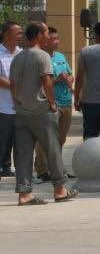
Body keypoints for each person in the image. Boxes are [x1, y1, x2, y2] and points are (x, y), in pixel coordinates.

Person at [10, 23, 77, 206]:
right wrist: (53, 104)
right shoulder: (43, 56)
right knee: (52, 149)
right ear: (39, 35)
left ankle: (24, 194)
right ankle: (60, 190)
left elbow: (13, 85)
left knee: (23, 153)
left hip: (22, 112)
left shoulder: (18, 57)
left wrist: (18, 103)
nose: (49, 36)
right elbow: (47, 81)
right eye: (47, 33)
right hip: (41, 111)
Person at [33, 27, 74, 182]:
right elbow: (40, 82)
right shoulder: (40, 58)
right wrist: (57, 79)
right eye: (53, 39)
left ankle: (57, 168)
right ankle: (42, 170)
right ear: (45, 40)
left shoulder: (61, 56)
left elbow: (70, 74)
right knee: (46, 139)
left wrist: (69, 78)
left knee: (61, 139)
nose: (57, 41)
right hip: (49, 103)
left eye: (58, 38)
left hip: (66, 102)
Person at [0, 21, 22, 178]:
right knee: (3, 139)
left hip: (20, 105)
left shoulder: (22, 53)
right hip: (3, 105)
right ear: (6, 34)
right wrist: (16, 88)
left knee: (17, 140)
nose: (20, 36)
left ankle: (8, 167)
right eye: (17, 33)